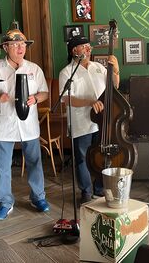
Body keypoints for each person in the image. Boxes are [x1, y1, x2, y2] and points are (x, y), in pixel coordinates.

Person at [0, 29, 50, 221]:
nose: (20, 48)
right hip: (3, 124)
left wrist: (36, 98)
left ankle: (38, 197)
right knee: (1, 166)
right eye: (15, 45)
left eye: (23, 45)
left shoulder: (34, 69)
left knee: (35, 161)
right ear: (5, 47)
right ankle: (4, 202)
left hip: (29, 125)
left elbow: (45, 92)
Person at [59, 35, 120, 204]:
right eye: (84, 46)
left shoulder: (98, 67)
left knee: (103, 156)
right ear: (74, 51)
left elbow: (115, 86)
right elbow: (66, 99)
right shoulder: (66, 72)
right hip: (81, 124)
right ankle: (86, 191)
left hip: (101, 122)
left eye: (89, 46)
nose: (88, 48)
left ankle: (99, 189)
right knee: (82, 159)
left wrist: (115, 70)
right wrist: (90, 102)